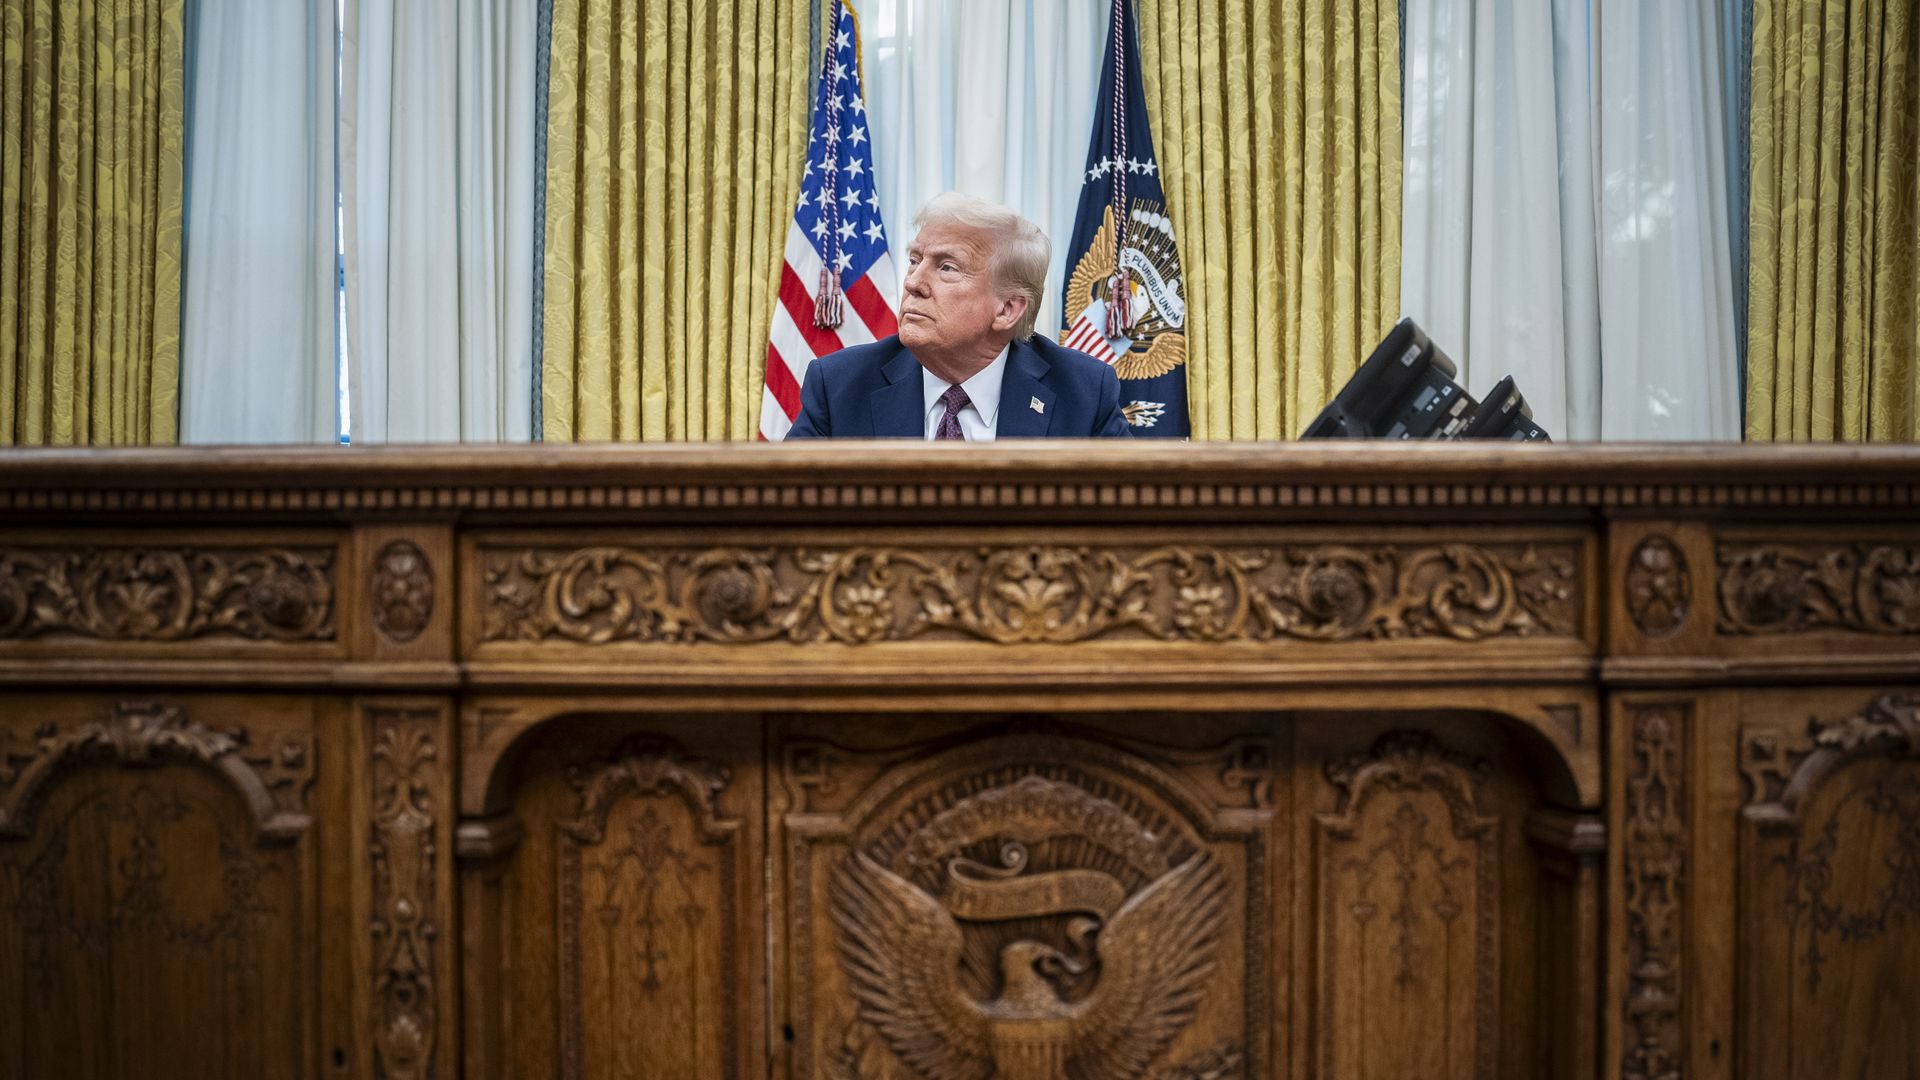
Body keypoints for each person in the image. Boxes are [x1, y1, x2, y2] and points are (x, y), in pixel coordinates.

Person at [786, 193, 1131, 440]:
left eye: (947, 267)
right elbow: (784, 523)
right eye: (915, 260)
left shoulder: (1083, 394)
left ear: (1007, 309)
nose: (914, 282)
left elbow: (1130, 528)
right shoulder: (839, 387)